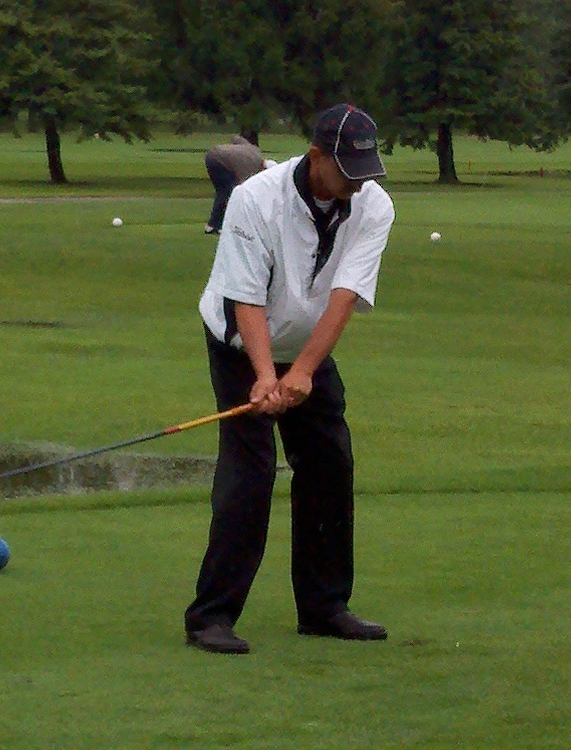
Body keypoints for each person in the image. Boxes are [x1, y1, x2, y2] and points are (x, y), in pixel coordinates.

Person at [186, 103, 395, 654]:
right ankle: (211, 616)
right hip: (240, 344)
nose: (358, 180)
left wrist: (302, 371)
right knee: (250, 472)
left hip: (307, 345)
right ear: (317, 155)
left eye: (365, 169)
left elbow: (345, 294)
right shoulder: (255, 199)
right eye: (347, 168)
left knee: (329, 460)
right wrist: (264, 378)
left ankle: (324, 607)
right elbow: (246, 297)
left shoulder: (373, 204)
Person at [204, 135, 268, 234]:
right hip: (219, 160)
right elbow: (244, 186)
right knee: (226, 193)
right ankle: (213, 225)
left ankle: (216, 224)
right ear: (263, 168)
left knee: (224, 192)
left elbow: (236, 138)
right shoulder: (251, 167)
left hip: (213, 154)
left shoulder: (255, 150)